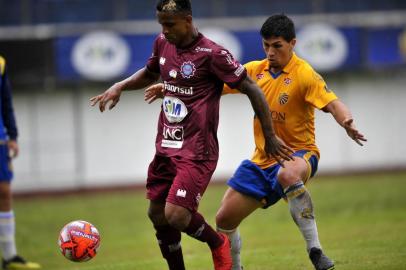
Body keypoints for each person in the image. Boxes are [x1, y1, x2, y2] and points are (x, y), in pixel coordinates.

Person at [145, 14, 367, 270]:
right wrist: (168, 87)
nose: (270, 52)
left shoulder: (304, 74)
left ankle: (315, 250)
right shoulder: (254, 70)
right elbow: (208, 82)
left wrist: (347, 121)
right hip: (261, 160)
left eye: (277, 46)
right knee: (224, 219)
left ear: (292, 43)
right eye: (266, 46)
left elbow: (333, 103)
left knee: (288, 173)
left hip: (299, 153)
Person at [90, 2, 292, 270]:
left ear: (188, 20)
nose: (165, 30)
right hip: (165, 145)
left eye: (170, 24)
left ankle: (217, 243)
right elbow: (150, 73)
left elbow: (252, 88)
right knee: (157, 214)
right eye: (161, 24)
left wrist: (269, 135)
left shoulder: (213, 53)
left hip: (197, 151)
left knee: (176, 214)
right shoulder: (162, 42)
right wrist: (120, 86)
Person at [0, 56, 41, 270]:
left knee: (4, 192)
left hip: (0, 140)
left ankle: (9, 257)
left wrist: (12, 135)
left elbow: (5, 102)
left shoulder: (1, 63)